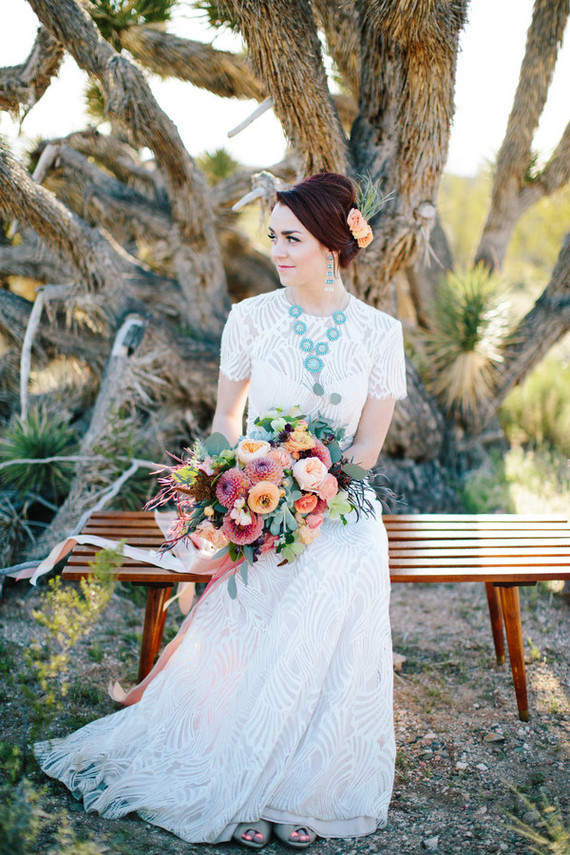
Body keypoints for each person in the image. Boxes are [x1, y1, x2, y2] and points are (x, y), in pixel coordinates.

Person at [34, 172, 407, 849]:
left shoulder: (380, 333)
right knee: (268, 560)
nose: (277, 251)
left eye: (291, 238)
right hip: (257, 499)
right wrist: (220, 486)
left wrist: (312, 491)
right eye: (273, 237)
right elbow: (226, 419)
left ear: (332, 242)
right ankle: (234, 777)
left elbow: (369, 446)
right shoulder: (251, 319)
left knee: (340, 559)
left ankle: (306, 786)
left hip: (341, 505)